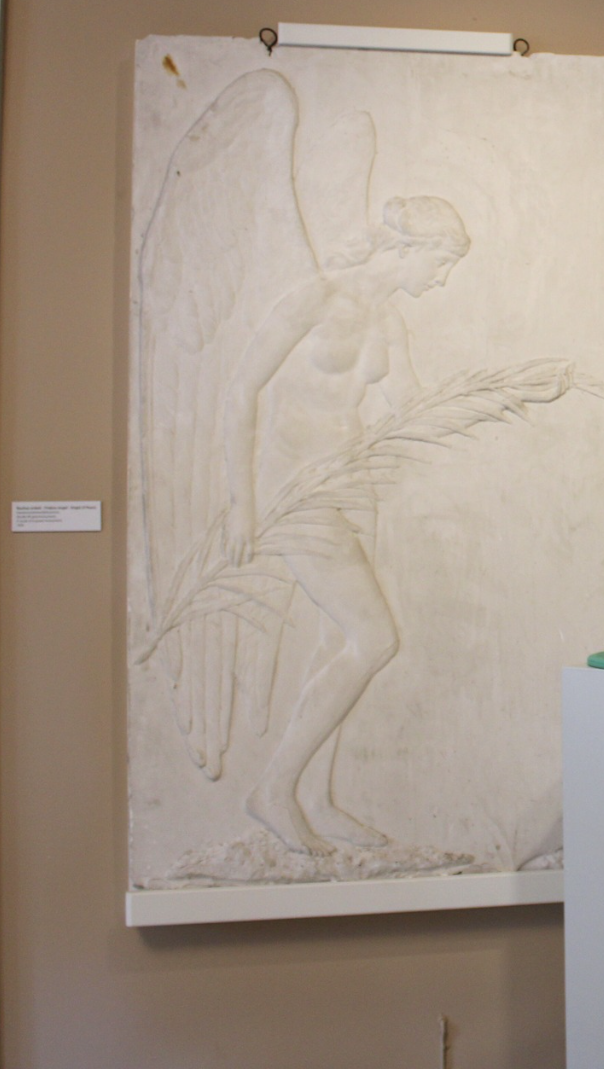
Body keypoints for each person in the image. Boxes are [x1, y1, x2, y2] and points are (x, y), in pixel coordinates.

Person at [220, 195, 470, 855]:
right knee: (374, 637)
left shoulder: (388, 321)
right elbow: (241, 389)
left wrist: (482, 403)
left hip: (352, 489)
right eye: (441, 262)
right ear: (407, 248)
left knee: (338, 639)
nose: (442, 278)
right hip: (296, 489)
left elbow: (408, 406)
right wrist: (241, 502)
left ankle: (318, 799)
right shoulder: (314, 298)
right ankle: (274, 789)